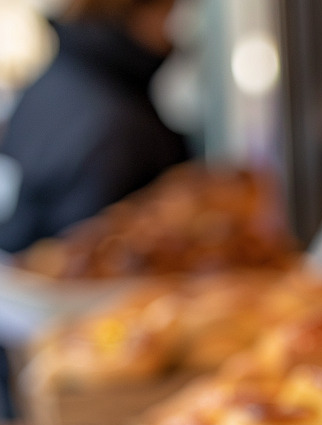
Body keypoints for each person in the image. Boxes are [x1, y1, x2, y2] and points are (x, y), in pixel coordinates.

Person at [0, 0, 187, 254]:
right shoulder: (113, 117)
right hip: (71, 288)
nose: (173, 35)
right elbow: (90, 260)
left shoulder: (60, 77)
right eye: (169, 14)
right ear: (136, 13)